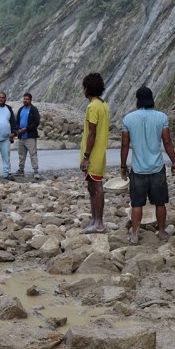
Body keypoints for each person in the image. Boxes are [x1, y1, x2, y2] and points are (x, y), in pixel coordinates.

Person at [120, 86, 175, 245]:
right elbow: (167, 142)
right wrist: (174, 162)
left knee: (137, 203)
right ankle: (161, 232)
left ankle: (134, 235)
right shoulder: (161, 117)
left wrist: (123, 166)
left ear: (138, 100)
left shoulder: (128, 119)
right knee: (160, 202)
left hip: (138, 169)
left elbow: (125, 145)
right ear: (152, 99)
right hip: (157, 168)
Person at [79, 73, 110, 234]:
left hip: (93, 155)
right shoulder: (103, 105)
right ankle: (94, 219)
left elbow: (92, 133)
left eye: (84, 88)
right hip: (100, 153)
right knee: (92, 186)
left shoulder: (92, 107)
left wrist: (86, 156)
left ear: (87, 89)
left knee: (96, 187)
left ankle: (98, 222)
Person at [14, 93, 42, 180]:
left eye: (27, 99)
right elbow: (17, 121)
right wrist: (18, 129)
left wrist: (26, 129)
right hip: (21, 136)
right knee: (21, 154)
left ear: (30, 100)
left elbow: (36, 122)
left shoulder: (34, 110)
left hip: (30, 136)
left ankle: (36, 171)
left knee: (33, 154)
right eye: (24, 99)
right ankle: (21, 170)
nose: (25, 100)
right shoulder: (21, 109)